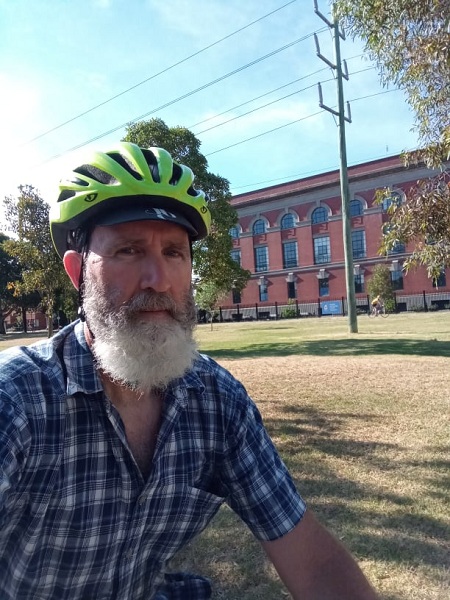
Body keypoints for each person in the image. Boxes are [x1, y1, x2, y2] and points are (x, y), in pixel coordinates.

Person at [0, 143, 378, 600]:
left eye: (175, 252)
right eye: (128, 250)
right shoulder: (18, 401)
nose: (159, 279)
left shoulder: (217, 402)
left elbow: (314, 565)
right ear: (77, 271)